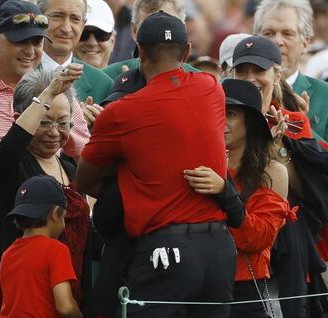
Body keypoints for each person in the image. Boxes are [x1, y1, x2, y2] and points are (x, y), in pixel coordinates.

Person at [77, 11, 236, 317]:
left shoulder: (122, 112)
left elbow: (85, 179)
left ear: (140, 53)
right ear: (187, 52)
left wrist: (128, 177)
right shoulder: (212, 88)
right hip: (218, 248)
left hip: (165, 248)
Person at [0, 1, 88, 317]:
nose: (31, 50)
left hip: (34, 246)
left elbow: (83, 153)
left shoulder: (58, 90)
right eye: (21, 40)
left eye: (37, 41)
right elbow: (4, 156)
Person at [232, 35, 328, 318]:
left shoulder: (296, 126)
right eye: (241, 71)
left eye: (259, 70)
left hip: (293, 260)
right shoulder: (221, 125)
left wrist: (280, 151)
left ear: (277, 74)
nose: (250, 78)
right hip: (237, 261)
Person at [184, 78, 293, 318]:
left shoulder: (272, 172)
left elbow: (258, 238)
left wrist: (225, 191)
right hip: (191, 283)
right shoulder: (192, 163)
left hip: (244, 288)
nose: (221, 120)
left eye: (231, 113)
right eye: (216, 111)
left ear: (251, 122)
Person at [254, 0, 328, 182]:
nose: (277, 41)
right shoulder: (237, 90)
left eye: (288, 33)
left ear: (306, 42)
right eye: (268, 33)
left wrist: (303, 129)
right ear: (255, 39)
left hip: (308, 207)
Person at [0, 175, 82, 318]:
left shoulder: (8, 254)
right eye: (64, 217)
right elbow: (65, 307)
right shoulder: (56, 250)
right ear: (55, 214)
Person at [37, 0, 113, 105]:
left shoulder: (102, 84)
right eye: (58, 16)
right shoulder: (17, 72)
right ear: (39, 19)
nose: (66, 28)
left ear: (82, 25)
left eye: (75, 19)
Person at [102, 0, 198, 81]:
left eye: (167, 25)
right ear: (134, 31)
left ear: (183, 29)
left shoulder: (199, 83)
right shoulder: (107, 79)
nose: (159, 34)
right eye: (149, 27)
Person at [73, 0, 116, 69]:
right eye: (83, 34)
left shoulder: (126, 79)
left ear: (112, 42)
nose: (92, 43)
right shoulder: (52, 78)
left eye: (101, 34)